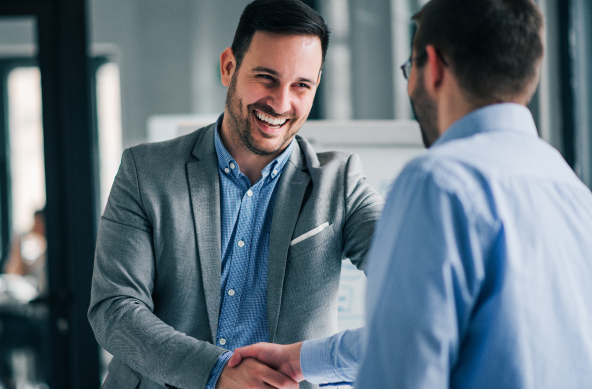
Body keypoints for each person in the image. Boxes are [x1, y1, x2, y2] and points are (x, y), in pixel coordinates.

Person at [229, 0, 592, 387]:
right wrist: (303, 359)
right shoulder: (574, 193)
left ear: (432, 66)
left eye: (409, 68)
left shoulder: (439, 182)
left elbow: (404, 370)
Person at [87, 1, 384, 388]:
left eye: (301, 86)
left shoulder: (340, 184)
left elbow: (420, 281)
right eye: (266, 78)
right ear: (229, 67)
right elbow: (115, 309)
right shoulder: (146, 173)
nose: (280, 103)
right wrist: (217, 372)